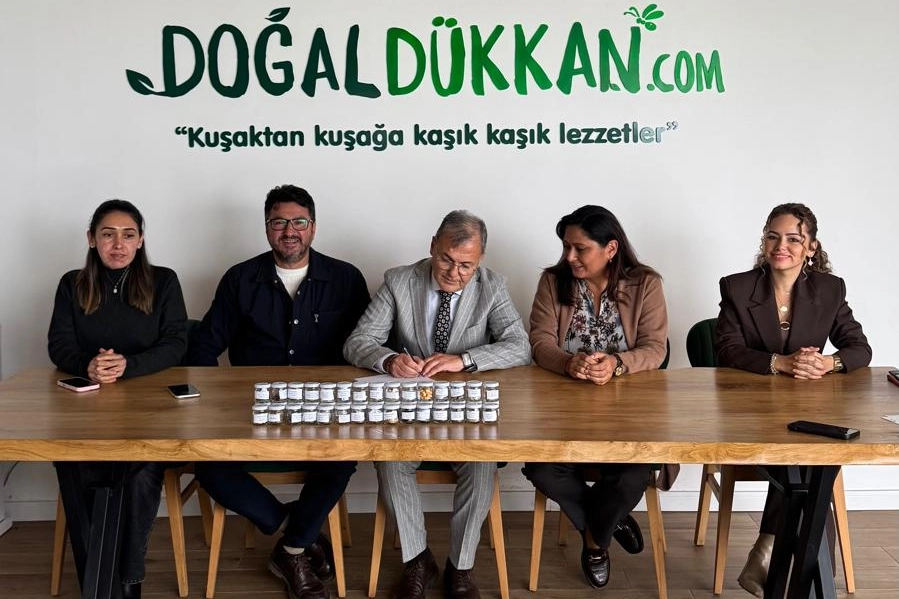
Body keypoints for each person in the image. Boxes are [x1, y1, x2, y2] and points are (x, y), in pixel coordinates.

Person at [188, 185, 370, 599]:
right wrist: (210, 404)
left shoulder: (346, 278)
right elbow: (204, 347)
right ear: (267, 227)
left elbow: (368, 345)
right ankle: (298, 533)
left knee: (344, 457)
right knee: (208, 466)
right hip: (252, 410)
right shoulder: (239, 279)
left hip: (322, 412)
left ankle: (290, 551)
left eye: (299, 222)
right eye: (279, 222)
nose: (290, 231)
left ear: (313, 227)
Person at [343, 210, 530, 599]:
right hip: (409, 414)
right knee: (389, 460)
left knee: (481, 466)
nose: (454, 272)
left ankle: (460, 569)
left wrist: (464, 360)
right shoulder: (399, 281)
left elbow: (520, 346)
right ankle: (417, 560)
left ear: (479, 261)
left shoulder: (492, 286)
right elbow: (358, 341)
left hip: (466, 415)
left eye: (466, 265)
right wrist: (388, 360)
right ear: (432, 246)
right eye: (446, 259)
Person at [715, 202, 872, 597]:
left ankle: (769, 549)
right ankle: (809, 580)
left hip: (805, 409)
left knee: (812, 459)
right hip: (749, 410)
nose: (780, 246)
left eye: (792, 239)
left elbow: (859, 348)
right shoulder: (737, 287)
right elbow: (727, 349)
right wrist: (778, 362)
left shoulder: (829, 289)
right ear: (764, 241)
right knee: (814, 467)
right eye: (772, 236)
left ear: (811, 247)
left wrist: (829, 363)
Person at [522, 205, 673, 589]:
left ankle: (594, 543)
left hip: (630, 411)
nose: (570, 256)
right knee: (541, 468)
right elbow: (539, 342)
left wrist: (617, 364)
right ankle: (609, 521)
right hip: (563, 411)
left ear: (611, 248)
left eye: (580, 248)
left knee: (634, 471)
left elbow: (655, 348)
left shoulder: (645, 284)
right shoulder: (553, 282)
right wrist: (568, 363)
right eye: (566, 247)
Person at [48, 199, 188, 599]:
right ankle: (96, 582)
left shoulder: (164, 281)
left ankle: (127, 582)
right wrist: (88, 365)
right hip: (87, 410)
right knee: (75, 466)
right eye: (108, 234)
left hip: (151, 409)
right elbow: (58, 344)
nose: (118, 244)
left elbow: (176, 343)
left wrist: (128, 365)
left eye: (128, 235)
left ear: (141, 240)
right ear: (91, 239)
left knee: (141, 472)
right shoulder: (72, 283)